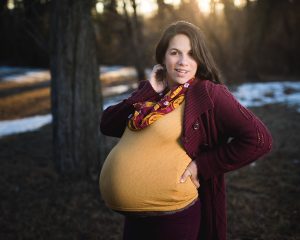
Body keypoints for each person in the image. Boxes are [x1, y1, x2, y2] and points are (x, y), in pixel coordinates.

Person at [99, 21, 272, 240]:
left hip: (173, 218)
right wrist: (149, 90)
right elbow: (108, 124)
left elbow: (259, 139)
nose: (183, 62)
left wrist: (202, 165)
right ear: (162, 57)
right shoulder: (150, 91)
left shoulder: (209, 93)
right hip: (135, 220)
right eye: (175, 53)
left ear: (200, 60)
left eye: (191, 54)